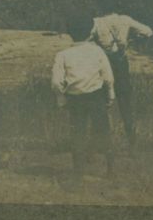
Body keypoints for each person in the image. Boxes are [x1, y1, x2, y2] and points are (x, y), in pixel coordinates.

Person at [50, 10, 117, 178]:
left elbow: (56, 82)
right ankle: (111, 170)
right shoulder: (98, 51)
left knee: (77, 134)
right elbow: (108, 76)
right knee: (103, 131)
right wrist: (110, 94)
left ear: (69, 32)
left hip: (75, 100)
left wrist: (61, 99)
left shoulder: (63, 55)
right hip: (96, 97)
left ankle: (78, 174)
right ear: (91, 31)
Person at [89, 11, 153, 147]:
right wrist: (132, 39)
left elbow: (86, 41)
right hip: (121, 63)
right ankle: (132, 140)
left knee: (101, 102)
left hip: (103, 64)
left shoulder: (97, 22)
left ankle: (103, 143)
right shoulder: (125, 20)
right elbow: (148, 32)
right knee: (125, 102)